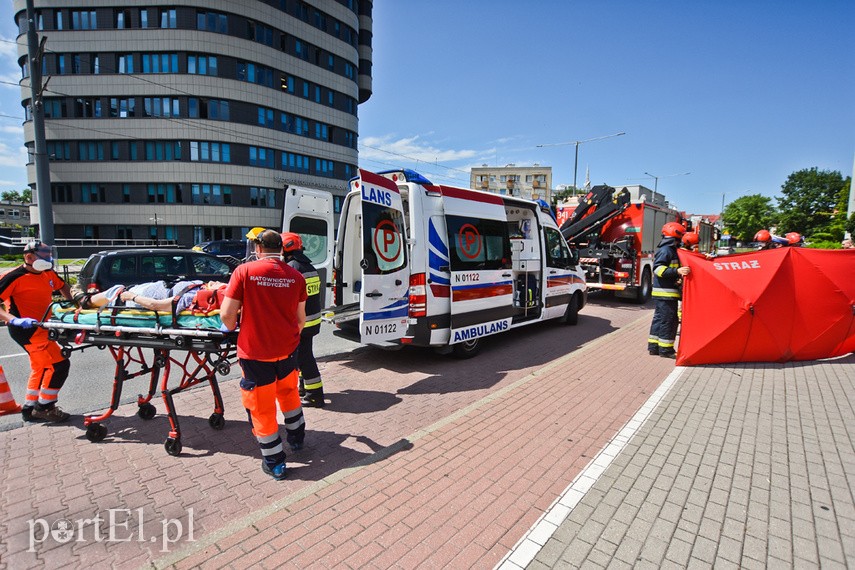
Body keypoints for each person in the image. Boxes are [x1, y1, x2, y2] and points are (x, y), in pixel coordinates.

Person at [219, 229, 307, 481]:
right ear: (281, 248)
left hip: (256, 353)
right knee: (289, 395)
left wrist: (235, 329)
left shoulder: (244, 272)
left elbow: (227, 315)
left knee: (262, 408)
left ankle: (275, 462)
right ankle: (297, 439)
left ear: (258, 249)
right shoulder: (295, 276)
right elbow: (300, 320)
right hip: (288, 350)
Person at [0, 241, 74, 422]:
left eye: (49, 254)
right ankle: (45, 407)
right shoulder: (13, 277)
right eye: (44, 255)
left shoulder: (47, 272)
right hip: (26, 330)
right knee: (58, 366)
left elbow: (62, 285)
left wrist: (73, 304)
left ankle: (30, 408)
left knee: (40, 367)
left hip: (43, 327)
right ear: (29, 257)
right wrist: (14, 319)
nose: (48, 258)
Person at [281, 232, 325, 408]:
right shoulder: (308, 266)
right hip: (312, 319)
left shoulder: (292, 268)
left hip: (302, 322)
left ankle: (315, 395)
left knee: (305, 358)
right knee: (302, 356)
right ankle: (303, 387)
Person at [648, 222, 690, 358]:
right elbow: (658, 269)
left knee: (660, 320)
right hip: (666, 293)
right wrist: (677, 271)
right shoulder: (667, 250)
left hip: (664, 292)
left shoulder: (668, 249)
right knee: (669, 320)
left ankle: (654, 347)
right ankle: (666, 350)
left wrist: (676, 275)